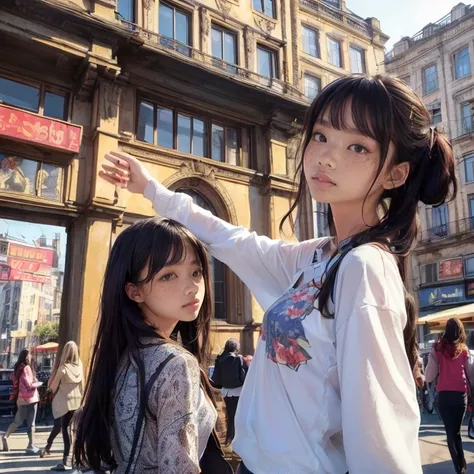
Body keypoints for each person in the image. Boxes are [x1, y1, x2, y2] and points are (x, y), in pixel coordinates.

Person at [99, 74, 457, 473]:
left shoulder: (366, 267)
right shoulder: (316, 257)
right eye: (321, 136)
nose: (326, 156)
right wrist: (152, 189)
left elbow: (380, 428)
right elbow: (230, 238)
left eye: (358, 146)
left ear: (396, 174)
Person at [73, 218, 232, 474]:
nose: (192, 287)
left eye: (196, 272)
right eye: (168, 275)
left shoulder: (122, 356)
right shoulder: (176, 363)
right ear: (134, 291)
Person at [425, 318, 473, 474]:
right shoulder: (464, 350)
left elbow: (429, 377)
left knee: (450, 432)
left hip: (444, 397)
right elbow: (471, 374)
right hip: (460, 396)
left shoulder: (437, 349)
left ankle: (459, 467)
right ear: (460, 331)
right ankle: (462, 466)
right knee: (456, 431)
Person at [40, 341, 83, 471]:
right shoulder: (80, 365)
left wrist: (47, 392)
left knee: (65, 431)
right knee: (75, 431)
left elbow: (53, 387)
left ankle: (66, 460)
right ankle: (76, 458)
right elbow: (83, 383)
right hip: (77, 401)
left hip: (65, 402)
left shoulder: (63, 368)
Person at [2, 349, 43, 453]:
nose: (31, 357)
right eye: (29, 355)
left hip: (21, 399)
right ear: (26, 356)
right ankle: (30, 446)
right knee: (31, 423)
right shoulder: (26, 368)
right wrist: (38, 384)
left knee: (17, 421)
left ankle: (5, 436)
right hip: (31, 398)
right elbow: (28, 385)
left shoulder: (17, 368)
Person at [211, 338, 248, 446]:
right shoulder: (238, 358)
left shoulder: (220, 358)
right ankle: (234, 438)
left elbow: (216, 377)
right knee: (237, 415)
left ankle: (229, 438)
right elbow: (244, 374)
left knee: (230, 414)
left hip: (226, 391)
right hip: (238, 391)